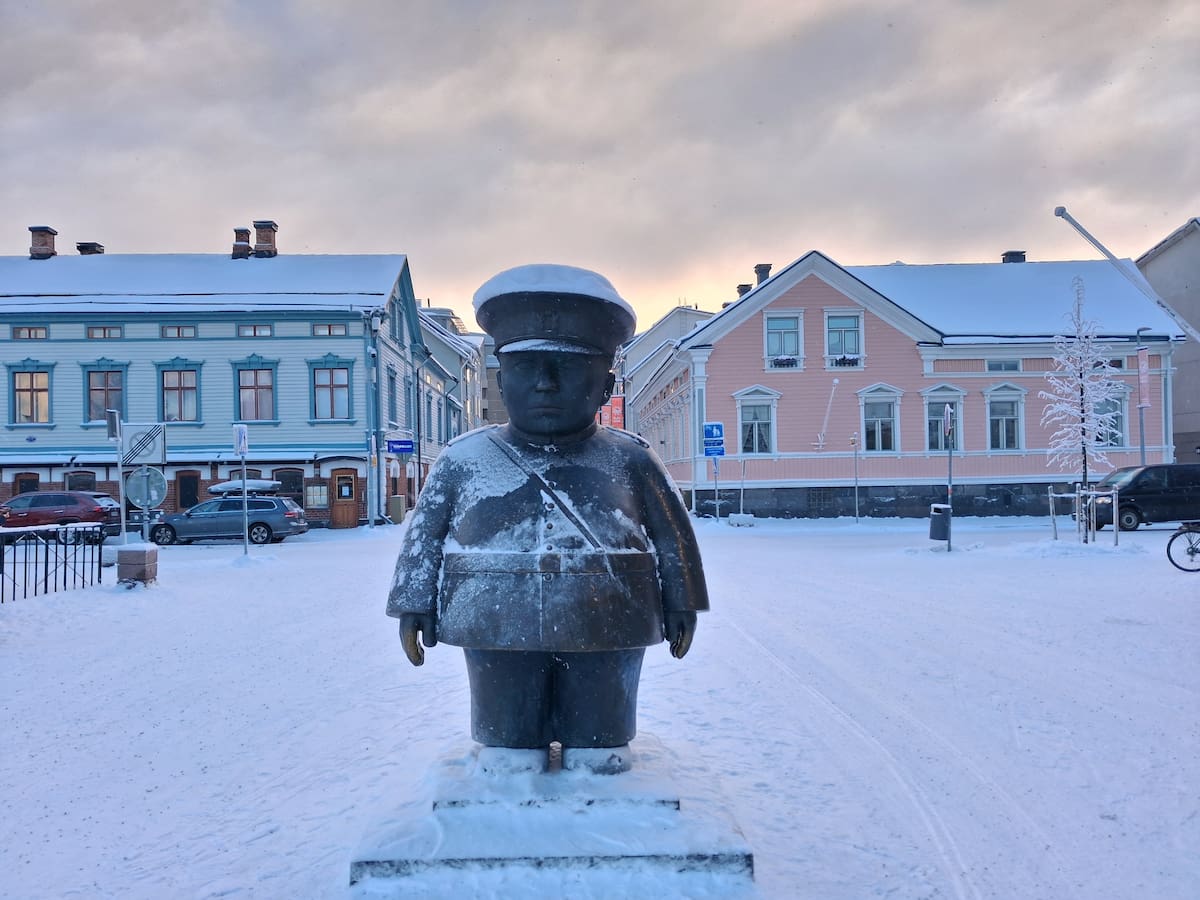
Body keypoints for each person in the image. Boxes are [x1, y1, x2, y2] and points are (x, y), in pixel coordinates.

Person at [386, 263, 709, 774]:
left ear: (605, 386)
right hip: (496, 623)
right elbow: (424, 535)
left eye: (567, 369)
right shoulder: (463, 459)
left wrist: (683, 601)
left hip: (609, 619)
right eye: (527, 368)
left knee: (600, 750)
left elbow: (673, 536)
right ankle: (513, 763)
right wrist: (413, 602)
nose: (545, 384)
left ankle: (597, 768)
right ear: (501, 380)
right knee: (507, 751)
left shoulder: (631, 458)